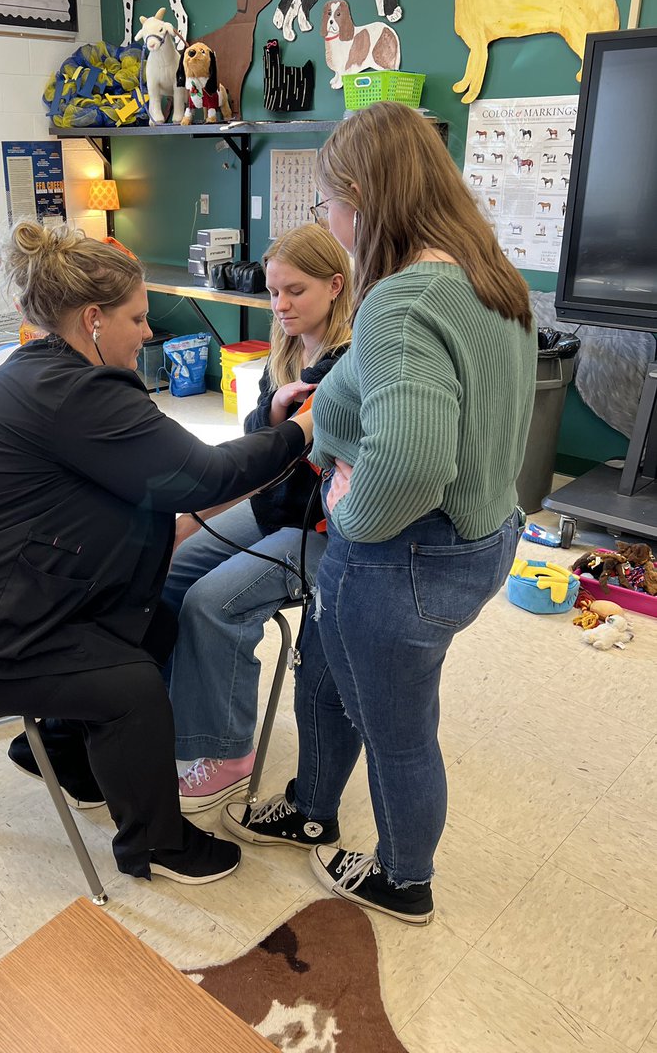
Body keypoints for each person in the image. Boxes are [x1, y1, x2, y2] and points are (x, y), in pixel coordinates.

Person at [0, 222, 313, 886]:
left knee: (149, 621)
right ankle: (156, 845)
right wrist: (300, 430)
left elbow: (153, 478)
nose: (147, 334)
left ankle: (60, 751)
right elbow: (202, 476)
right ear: (93, 319)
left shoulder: (44, 371)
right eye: (138, 319)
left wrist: (266, 432)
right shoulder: (78, 394)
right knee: (132, 686)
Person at [222, 102, 536, 925]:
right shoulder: (490, 278)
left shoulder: (400, 302)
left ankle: (404, 879)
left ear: (361, 198)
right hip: (477, 536)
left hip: (402, 554)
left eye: (329, 202)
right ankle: (312, 807)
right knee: (327, 673)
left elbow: (415, 461)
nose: (328, 220)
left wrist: (350, 515)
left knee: (397, 729)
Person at [164, 225, 353, 811]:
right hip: (273, 508)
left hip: (323, 532)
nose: (281, 305)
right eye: (273, 292)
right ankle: (175, 713)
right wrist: (272, 412)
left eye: (295, 291)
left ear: (335, 285)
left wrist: (288, 431)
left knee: (209, 603)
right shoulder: (286, 350)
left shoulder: (352, 364)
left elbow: (321, 461)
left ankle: (226, 755)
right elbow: (257, 447)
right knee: (166, 570)